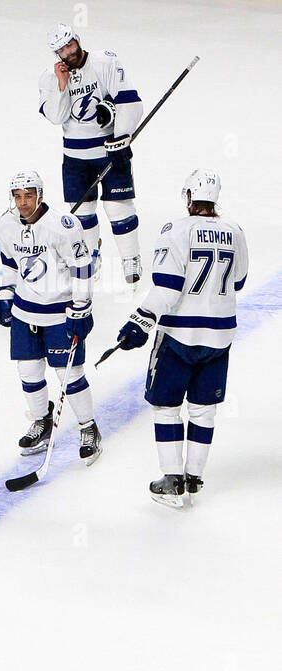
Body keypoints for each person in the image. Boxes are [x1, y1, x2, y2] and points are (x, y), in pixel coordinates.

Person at [114, 169, 249, 509]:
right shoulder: (235, 231)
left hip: (178, 334)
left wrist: (139, 320)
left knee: (166, 406)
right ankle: (194, 476)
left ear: (189, 197)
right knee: (204, 411)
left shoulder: (177, 229)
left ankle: (172, 479)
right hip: (219, 336)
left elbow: (167, 285)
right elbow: (240, 280)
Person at [0, 170, 102, 464]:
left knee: (70, 376)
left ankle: (88, 427)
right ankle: (42, 422)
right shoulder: (6, 224)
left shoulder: (64, 226)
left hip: (59, 313)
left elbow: (82, 267)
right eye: (18, 196)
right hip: (24, 312)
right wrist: (4, 294)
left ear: (40, 195)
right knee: (28, 374)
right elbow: (9, 264)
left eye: (28, 195)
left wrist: (82, 307)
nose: (23, 202)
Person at [39, 23, 145, 284]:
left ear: (77, 39)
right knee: (82, 213)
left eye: (70, 45)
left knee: (118, 208)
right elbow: (56, 116)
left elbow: (129, 100)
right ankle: (89, 256)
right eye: (62, 50)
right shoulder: (50, 78)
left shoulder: (105, 62)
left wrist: (121, 138)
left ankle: (131, 259)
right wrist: (63, 86)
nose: (69, 52)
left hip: (108, 150)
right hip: (74, 158)